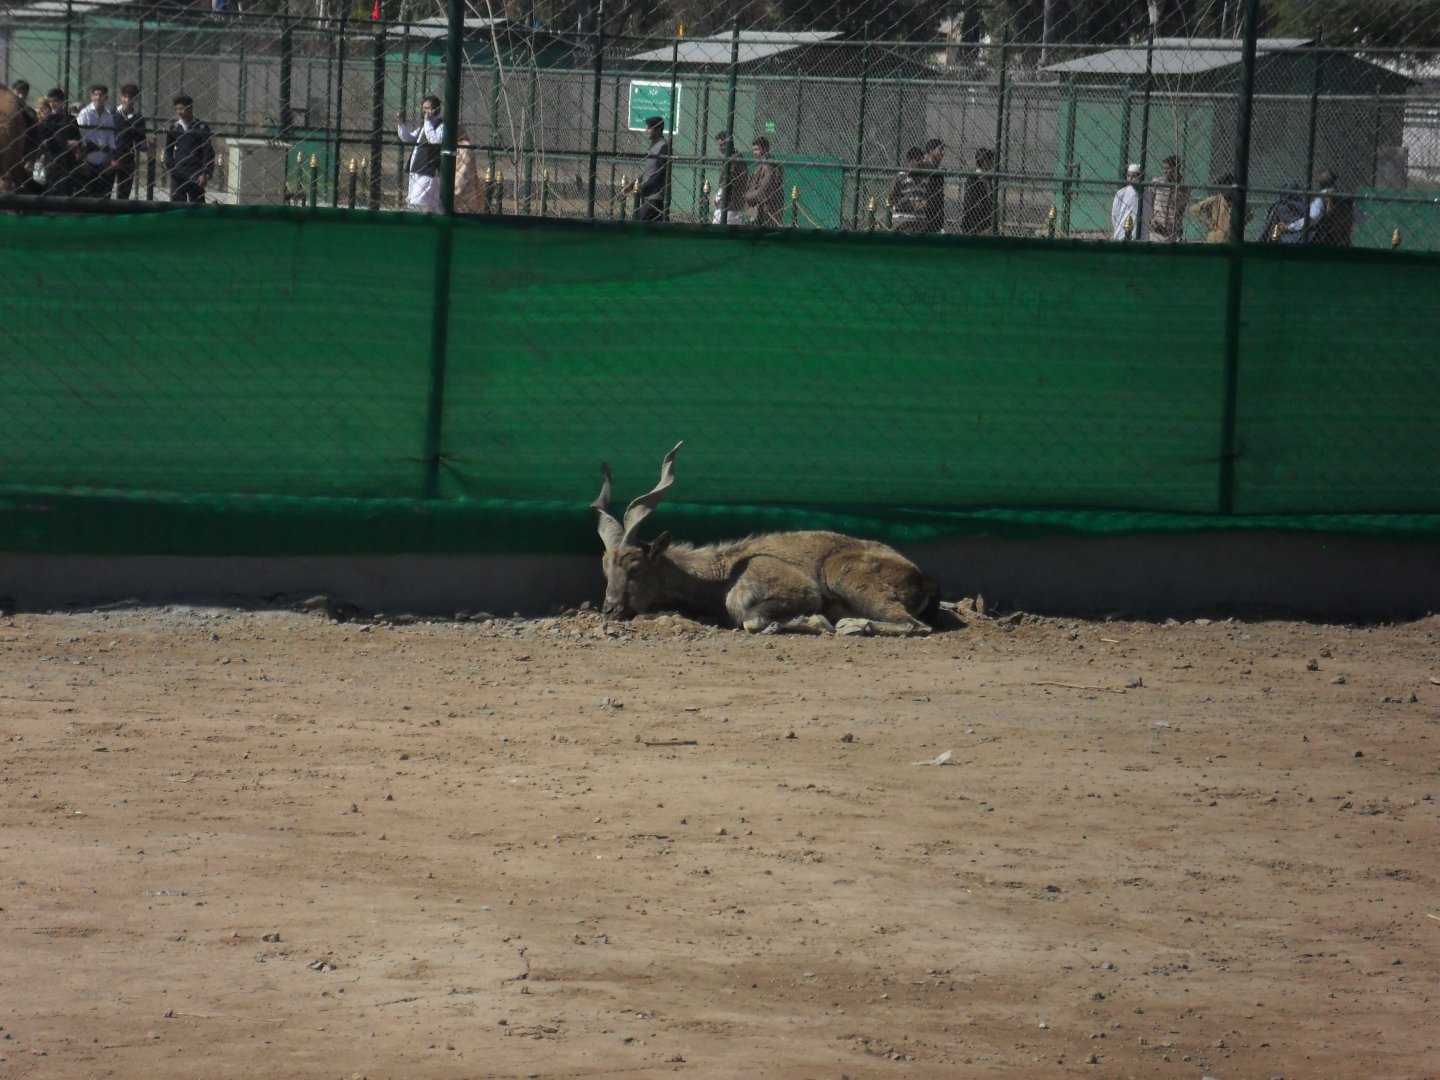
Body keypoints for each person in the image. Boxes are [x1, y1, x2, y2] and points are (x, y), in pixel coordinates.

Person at [395, 94, 444, 213]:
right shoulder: (425, 126)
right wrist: (401, 124)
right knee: (418, 203)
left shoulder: (442, 125)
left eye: (428, 109)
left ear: (436, 109)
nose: (425, 112)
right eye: (423, 109)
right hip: (416, 168)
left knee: (418, 203)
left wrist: (427, 122)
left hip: (428, 171)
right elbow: (409, 138)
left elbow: (434, 140)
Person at [163, 94, 214, 202]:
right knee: (177, 203)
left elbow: (207, 152)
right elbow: (168, 150)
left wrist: (204, 173)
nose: (179, 112)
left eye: (182, 109)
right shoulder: (174, 127)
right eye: (177, 109)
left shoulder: (201, 127)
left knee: (197, 204)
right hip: (178, 173)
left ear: (190, 108)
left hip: (196, 173)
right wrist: (171, 167)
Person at [1287, 168, 1355, 246]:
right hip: (1344, 239)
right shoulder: (1346, 198)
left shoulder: (1322, 197)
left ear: (1319, 183)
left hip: (1325, 240)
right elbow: (1361, 218)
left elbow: (1313, 217)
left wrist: (1290, 227)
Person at [75, 83, 118, 198]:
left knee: (103, 198)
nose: (98, 97)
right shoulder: (85, 113)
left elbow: (111, 139)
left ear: (106, 97)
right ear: (91, 96)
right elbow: (80, 137)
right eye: (95, 94)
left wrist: (109, 160)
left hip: (103, 162)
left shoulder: (108, 116)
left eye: (101, 95)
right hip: (88, 160)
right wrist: (83, 162)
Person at [35, 87, 79, 196]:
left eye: (55, 101)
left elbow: (78, 137)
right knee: (51, 189)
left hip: (68, 159)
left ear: (62, 101)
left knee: (67, 189)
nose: (53, 104)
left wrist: (75, 142)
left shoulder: (70, 118)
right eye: (50, 101)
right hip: (52, 158)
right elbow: (43, 139)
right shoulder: (47, 119)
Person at [1186, 172, 1251, 243]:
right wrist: (1208, 221)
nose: (1221, 189)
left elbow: (1249, 216)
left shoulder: (1238, 202)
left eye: (1224, 187)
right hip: (1214, 238)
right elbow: (1193, 209)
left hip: (1229, 240)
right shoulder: (1215, 199)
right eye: (1220, 186)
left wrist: (1236, 225)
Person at [113, 83, 151, 200]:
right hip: (110, 157)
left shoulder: (138, 118)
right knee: (104, 190)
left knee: (123, 194)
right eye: (125, 96)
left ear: (135, 98)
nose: (127, 100)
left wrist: (147, 147)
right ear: (121, 97)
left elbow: (140, 140)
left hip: (127, 158)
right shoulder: (112, 113)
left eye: (130, 97)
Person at [634, 115, 670, 223]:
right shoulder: (653, 146)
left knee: (639, 219)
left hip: (657, 197)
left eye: (649, 128)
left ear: (658, 130)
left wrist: (644, 186)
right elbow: (648, 173)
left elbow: (659, 173)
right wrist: (632, 185)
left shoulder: (664, 146)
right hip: (648, 195)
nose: (646, 130)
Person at [743, 135, 785, 227]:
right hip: (760, 211)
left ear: (766, 149)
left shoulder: (769, 166)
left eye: (757, 149)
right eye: (753, 150)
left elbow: (764, 190)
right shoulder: (761, 165)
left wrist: (747, 196)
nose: (754, 153)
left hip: (767, 212)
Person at [1147, 154, 1190, 243]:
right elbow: (1149, 201)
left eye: (1167, 168)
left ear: (1176, 168)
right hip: (1157, 229)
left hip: (1174, 231)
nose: (1164, 171)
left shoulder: (1184, 188)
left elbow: (1182, 209)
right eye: (1164, 168)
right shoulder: (1157, 183)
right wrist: (1151, 218)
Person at [959, 146, 998, 235]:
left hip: (986, 224)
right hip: (975, 225)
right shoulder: (973, 180)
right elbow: (970, 205)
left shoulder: (988, 179)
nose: (992, 163)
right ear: (985, 162)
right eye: (991, 160)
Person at [888, 145, 926, 233]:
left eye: (922, 160)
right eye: (917, 160)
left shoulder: (925, 178)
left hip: (919, 221)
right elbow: (891, 199)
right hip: (902, 220)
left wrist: (924, 203)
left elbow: (927, 197)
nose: (920, 164)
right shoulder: (901, 177)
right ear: (909, 161)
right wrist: (910, 205)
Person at [916, 137, 946, 233]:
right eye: (940, 149)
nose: (943, 153)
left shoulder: (937, 172)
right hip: (922, 216)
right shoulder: (921, 168)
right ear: (931, 150)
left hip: (935, 218)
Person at [1111, 163, 1144, 240]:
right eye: (1128, 176)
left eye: (1134, 176)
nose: (1130, 179)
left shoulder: (1147, 194)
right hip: (1122, 233)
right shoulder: (1121, 193)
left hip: (1141, 234)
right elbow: (1114, 215)